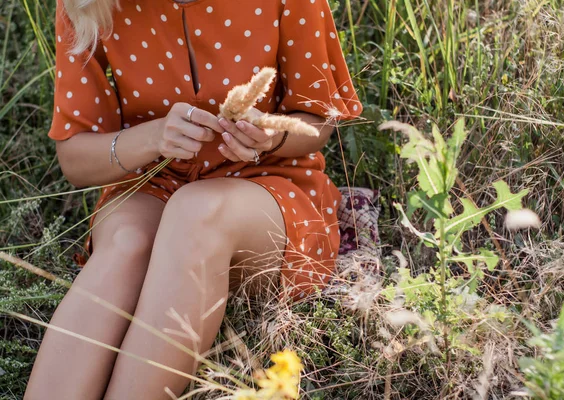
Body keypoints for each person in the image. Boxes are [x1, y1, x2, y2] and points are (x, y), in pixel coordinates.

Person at [25, 0, 362, 398]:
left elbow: (317, 119)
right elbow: (76, 159)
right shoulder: (89, 4)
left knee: (196, 213)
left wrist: (271, 136)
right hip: (151, 185)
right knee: (125, 246)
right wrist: (152, 138)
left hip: (270, 188)